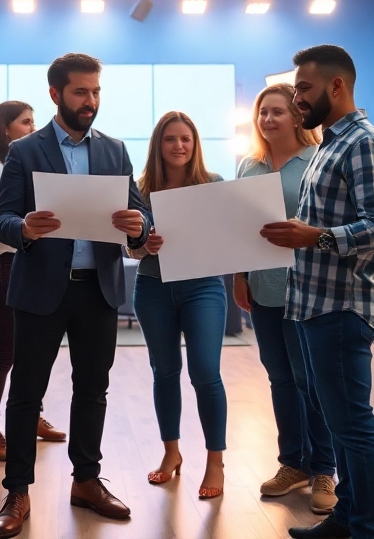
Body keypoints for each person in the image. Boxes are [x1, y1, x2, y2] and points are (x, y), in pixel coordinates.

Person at [0, 53, 149, 538]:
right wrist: (26, 229)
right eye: (81, 92)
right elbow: (2, 220)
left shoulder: (115, 150)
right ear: (56, 94)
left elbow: (141, 212)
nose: (91, 101)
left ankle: (86, 481)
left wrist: (140, 226)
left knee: (92, 391)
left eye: (96, 92)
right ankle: (17, 491)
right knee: (26, 395)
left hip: (98, 291)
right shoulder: (25, 151)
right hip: (40, 290)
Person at [262, 45, 374, 539]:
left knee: (353, 426)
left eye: (303, 89)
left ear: (336, 87)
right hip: (313, 306)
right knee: (338, 424)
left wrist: (313, 235)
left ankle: (365, 528)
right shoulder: (328, 145)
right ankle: (346, 518)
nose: (297, 98)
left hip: (342, 307)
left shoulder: (364, 143)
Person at [234, 84, 338, 514]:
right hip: (263, 289)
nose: (269, 120)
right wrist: (239, 277)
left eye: (277, 112)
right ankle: (292, 463)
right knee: (280, 378)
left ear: (297, 116)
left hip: (306, 290)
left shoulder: (316, 161)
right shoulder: (248, 166)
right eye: (263, 113)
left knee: (308, 380)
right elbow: (238, 227)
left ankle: (323, 471)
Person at [130, 111, 227, 499]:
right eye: (171, 139)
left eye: (186, 139)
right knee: (165, 372)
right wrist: (142, 245)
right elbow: (130, 249)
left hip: (203, 287)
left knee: (205, 372)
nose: (179, 146)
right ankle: (171, 453)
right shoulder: (140, 189)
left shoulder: (213, 184)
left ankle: (215, 460)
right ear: (159, 145)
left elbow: (228, 238)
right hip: (153, 288)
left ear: (195, 143)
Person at [0, 101, 67, 462]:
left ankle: (30, 420)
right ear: (5, 129)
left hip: (32, 261)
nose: (33, 127)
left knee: (36, 351)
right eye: (25, 122)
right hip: (5, 263)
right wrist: (24, 226)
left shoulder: (28, 167)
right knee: (7, 353)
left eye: (33, 121)